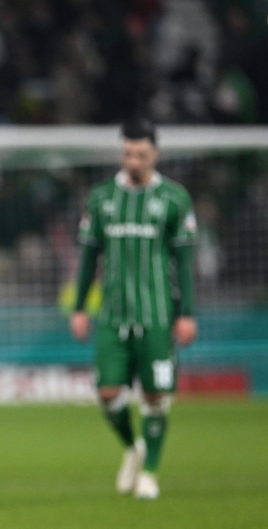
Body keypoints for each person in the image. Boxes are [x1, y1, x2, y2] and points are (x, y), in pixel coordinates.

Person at [70, 119, 197, 501]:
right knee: (108, 393)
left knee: (156, 397)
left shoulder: (174, 199)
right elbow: (89, 257)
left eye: (141, 153)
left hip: (157, 315)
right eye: (127, 152)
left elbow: (184, 261)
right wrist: (79, 307)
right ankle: (132, 447)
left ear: (155, 154)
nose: (134, 160)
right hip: (112, 316)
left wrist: (186, 313)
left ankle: (151, 473)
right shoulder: (102, 198)